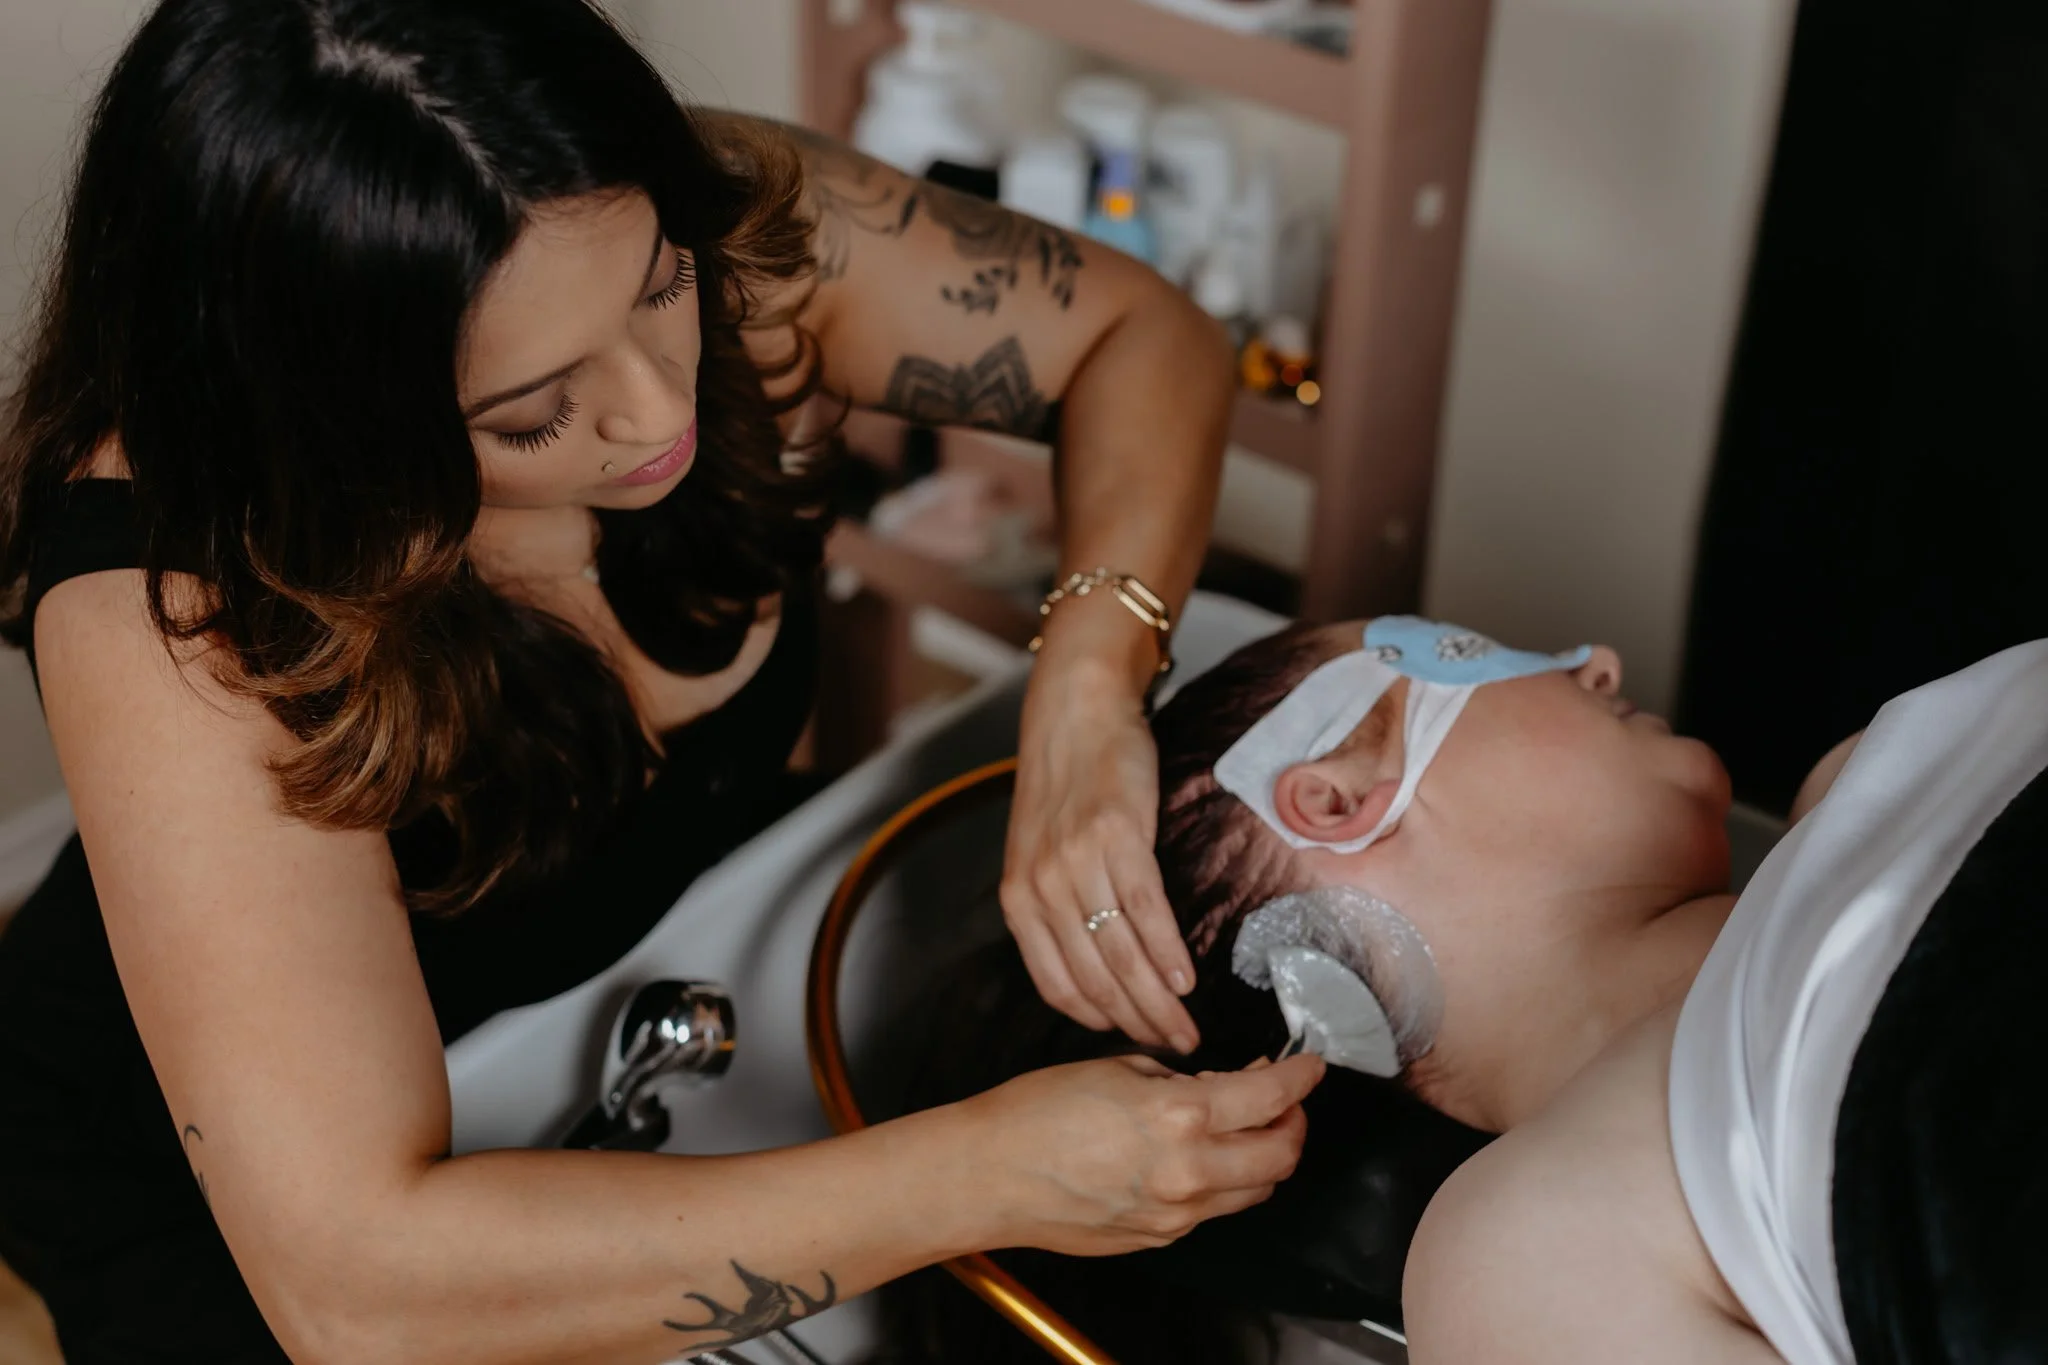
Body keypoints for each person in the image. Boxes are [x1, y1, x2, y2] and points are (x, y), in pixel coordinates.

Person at [0, 2, 1325, 1361]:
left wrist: (1089, 687)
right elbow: (359, 1288)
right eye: (531, 410)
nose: (656, 408)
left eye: (659, 288)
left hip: (651, 970)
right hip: (216, 1191)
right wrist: (990, 1177)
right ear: (330, 427)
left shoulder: (699, 222)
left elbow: (1139, 334)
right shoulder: (177, 602)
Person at [891, 618, 2045, 1364]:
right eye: (1466, 650)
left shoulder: (1862, 777)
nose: (1592, 659)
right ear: (1332, 799)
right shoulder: (1516, 1264)